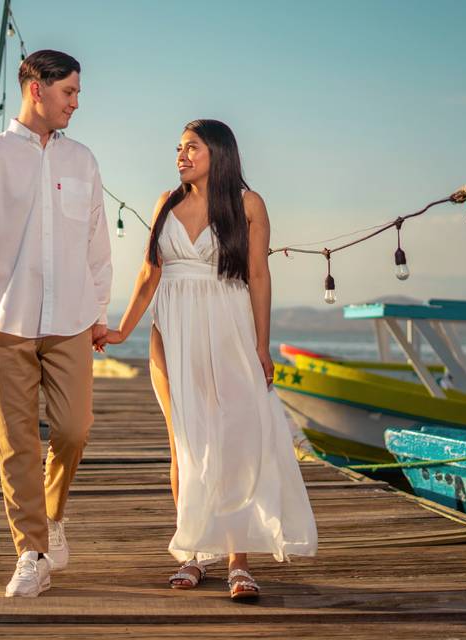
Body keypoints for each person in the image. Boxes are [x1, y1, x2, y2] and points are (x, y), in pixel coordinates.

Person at [106, 119, 316, 601]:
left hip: (230, 330)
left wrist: (263, 345)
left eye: (192, 148)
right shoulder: (167, 202)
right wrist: (122, 329)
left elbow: (259, 277)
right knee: (185, 442)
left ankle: (238, 561)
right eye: (178, 148)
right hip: (171, 331)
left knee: (232, 443)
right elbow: (148, 273)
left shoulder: (247, 204)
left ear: (218, 153)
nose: (181, 155)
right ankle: (194, 553)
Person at [0, 49, 112, 598]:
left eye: (79, 93)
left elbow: (96, 246)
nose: (76, 103)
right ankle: (32, 552)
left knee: (73, 429)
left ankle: (52, 515)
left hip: (70, 319)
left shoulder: (83, 161)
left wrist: (98, 311)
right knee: (16, 442)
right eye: (69, 92)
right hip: (5, 321)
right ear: (36, 89)